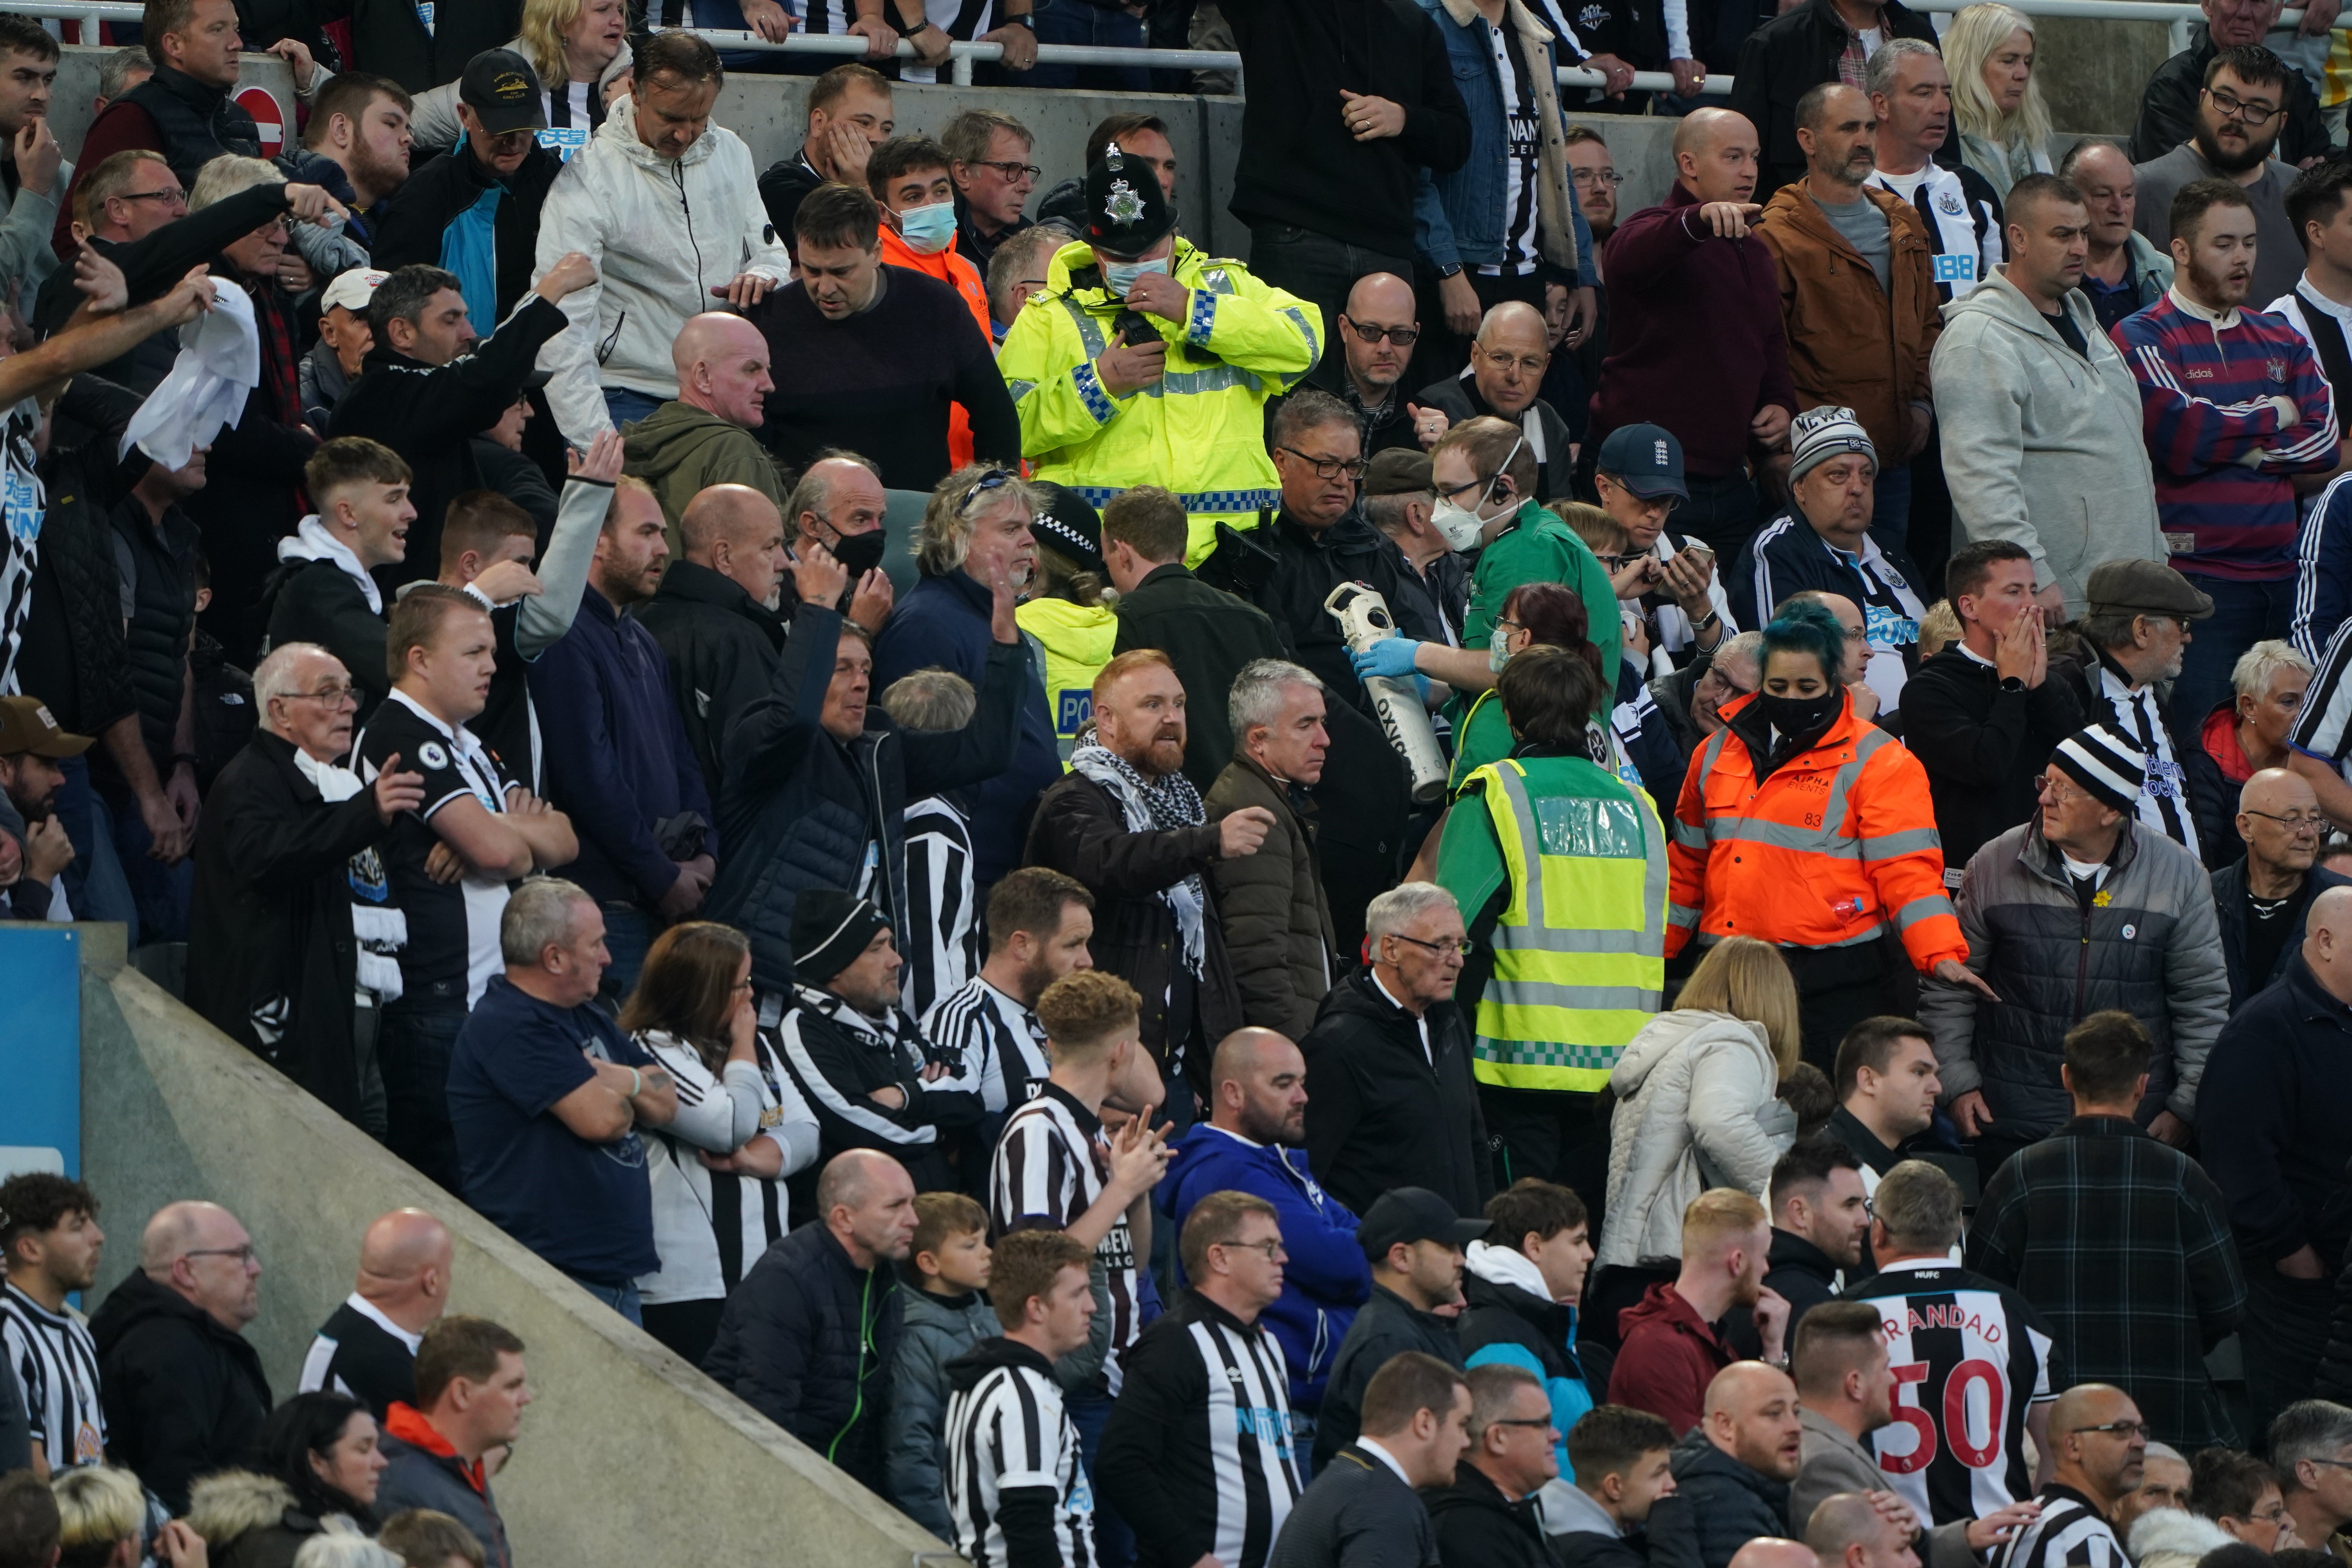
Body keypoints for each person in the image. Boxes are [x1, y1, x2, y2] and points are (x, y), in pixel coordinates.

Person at [702, 538, 1021, 1002]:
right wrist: (817, 606)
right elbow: (793, 718)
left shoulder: (880, 749)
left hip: (838, 993)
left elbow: (987, 752)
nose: (860, 681)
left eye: (866, 669)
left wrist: (1006, 648)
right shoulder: (762, 740)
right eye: (842, 669)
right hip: (757, 986)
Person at [1666, 600, 1961, 1069]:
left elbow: (1908, 871)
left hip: (1830, 984)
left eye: (1807, 686)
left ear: (1833, 683)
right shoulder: (1716, 752)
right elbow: (1687, 866)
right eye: (1777, 686)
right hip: (1729, 974)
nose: (1791, 698)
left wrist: (1939, 952)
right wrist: (1657, 954)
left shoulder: (1879, 760)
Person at [998, 146, 1317, 570]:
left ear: (1173, 236)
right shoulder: (1049, 315)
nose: (1137, 264)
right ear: (1094, 250)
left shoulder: (1226, 288)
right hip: (1100, 554)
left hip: (1233, 553)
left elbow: (1306, 343)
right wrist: (1099, 386)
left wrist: (1197, 312)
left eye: (1149, 250)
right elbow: (1010, 427)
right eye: (1120, 256)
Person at [352, 588, 577, 1187]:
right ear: (421, 659)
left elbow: (564, 837)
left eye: (493, 652)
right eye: (474, 651)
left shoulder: (470, 744)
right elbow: (507, 852)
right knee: (455, 1190)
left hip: (486, 999)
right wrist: (499, 836)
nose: (491, 667)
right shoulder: (400, 732)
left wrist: (483, 829)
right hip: (437, 1004)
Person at [1924, 724, 2230, 1162]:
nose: (2044, 798)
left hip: (2133, 1122)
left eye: (2063, 790)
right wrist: (1956, 1080)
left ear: (2110, 811)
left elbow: (2202, 1000)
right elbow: (1951, 986)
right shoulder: (1993, 864)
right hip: (2012, 1121)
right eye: (2045, 782)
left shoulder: (2179, 875)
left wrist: (2186, 1105)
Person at [1432, 642, 1666, 1180]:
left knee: (1526, 1235)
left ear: (1508, 714)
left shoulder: (1496, 795)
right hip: (1621, 1068)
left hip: (1518, 1069)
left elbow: (1452, 931)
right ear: (1588, 714)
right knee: (1582, 1243)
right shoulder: (1640, 807)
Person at [2117, 175, 2336, 727]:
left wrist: (2243, 446)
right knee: (2201, 741)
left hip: (2287, 579)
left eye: (2250, 243)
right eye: (2224, 245)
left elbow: (2325, 442)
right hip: (2199, 586)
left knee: (2287, 742)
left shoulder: (2281, 337)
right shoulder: (2144, 336)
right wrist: (2276, 412)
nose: (2242, 259)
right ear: (2182, 250)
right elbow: (2183, 436)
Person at [1969, 1011, 2244, 1448]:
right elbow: (2227, 1304)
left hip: (2056, 1423)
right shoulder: (2184, 1178)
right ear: (2142, 1084)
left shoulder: (2019, 1175)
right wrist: (2173, 1342)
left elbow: (1983, 1300)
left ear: (2066, 1077)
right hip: (2167, 1414)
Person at [180, 641, 407, 1125]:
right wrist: (368, 812)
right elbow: (274, 860)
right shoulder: (249, 781)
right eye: (328, 694)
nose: (347, 706)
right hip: (279, 1023)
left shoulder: (329, 781)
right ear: (280, 710)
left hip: (347, 1015)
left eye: (348, 692)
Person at [1026, 650, 1263, 1111]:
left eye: (1178, 704)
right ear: (1107, 719)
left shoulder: (1183, 801)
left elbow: (1201, 951)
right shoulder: (1074, 799)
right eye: (1152, 705)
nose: (1172, 718)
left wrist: (1203, 1065)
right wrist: (1207, 842)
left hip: (1177, 1075)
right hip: (1107, 1071)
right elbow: (1109, 861)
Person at [531, 31, 789, 444]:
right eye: (671, 118)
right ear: (635, 91)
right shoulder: (587, 181)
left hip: (723, 394)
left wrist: (762, 273)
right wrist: (595, 440)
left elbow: (770, 254)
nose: (686, 135)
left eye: (698, 119)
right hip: (627, 394)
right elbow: (560, 326)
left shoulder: (732, 153)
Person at [1934, 175, 2166, 622]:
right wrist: (2030, 578)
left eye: (2082, 233)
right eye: (2062, 235)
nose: (2080, 247)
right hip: (2057, 602)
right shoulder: (1979, 338)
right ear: (2017, 238)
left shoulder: (2083, 317)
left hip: (2126, 590)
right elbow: (1981, 479)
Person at [445, 878, 677, 1318]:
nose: (608, 958)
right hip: (555, 1278)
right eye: (597, 945)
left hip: (608, 1276)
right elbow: (605, 1121)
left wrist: (616, 1078)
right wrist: (634, 1092)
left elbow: (668, 1102)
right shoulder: (509, 1023)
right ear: (554, 957)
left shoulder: (588, 1015)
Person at [528, 475, 715, 998]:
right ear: (597, 539)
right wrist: (661, 876)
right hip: (607, 910)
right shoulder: (561, 636)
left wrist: (706, 856)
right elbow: (589, 777)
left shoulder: (641, 638)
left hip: (662, 898)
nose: (663, 549)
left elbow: (684, 757)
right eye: (648, 533)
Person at [1590, 109, 1795, 564]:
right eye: (1733, 156)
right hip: (1646, 481)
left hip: (1730, 480)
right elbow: (1627, 256)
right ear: (1689, 164)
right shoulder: (1653, 227)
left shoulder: (1757, 251)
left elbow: (1769, 342)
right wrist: (1698, 220)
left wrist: (1781, 402)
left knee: (1729, 623)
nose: (1749, 170)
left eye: (1755, 157)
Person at [620, 921, 820, 1365]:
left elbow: (808, 1132)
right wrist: (744, 1045)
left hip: (764, 1278)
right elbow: (730, 1124)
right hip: (690, 1287)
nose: (751, 995)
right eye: (739, 986)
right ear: (699, 991)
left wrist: (756, 1160)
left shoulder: (758, 1050)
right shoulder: (652, 1048)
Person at [332, 255, 591, 595]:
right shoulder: (381, 394)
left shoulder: (411, 396)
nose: (468, 334)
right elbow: (485, 382)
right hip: (397, 613)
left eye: (465, 319)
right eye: (450, 320)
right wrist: (551, 289)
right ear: (402, 332)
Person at [1755, 84, 1942, 549]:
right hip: (1816, 464)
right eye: (1848, 128)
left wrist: (1922, 403)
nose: (1864, 139)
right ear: (1808, 140)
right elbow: (1765, 349)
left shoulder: (1904, 222)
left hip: (1892, 460)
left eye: (1870, 127)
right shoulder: (1775, 235)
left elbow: (1928, 324)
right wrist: (1776, 452)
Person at [2199, 887, 2352, 1434]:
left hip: (2341, 1280)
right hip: (2297, 1290)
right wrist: (2294, 1256)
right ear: (2327, 942)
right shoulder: (2262, 1031)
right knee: (2302, 1442)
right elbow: (2238, 1163)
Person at [753, 184, 1018, 494]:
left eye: (841, 272)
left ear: (876, 253)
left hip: (915, 521)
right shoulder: (769, 322)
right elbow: (744, 430)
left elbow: (996, 416)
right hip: (806, 521)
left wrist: (991, 499)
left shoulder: (936, 309)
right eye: (813, 271)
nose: (825, 288)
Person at [1161, 1028, 1370, 1418]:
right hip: (1287, 1405)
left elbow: (1363, 1236)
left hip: (1310, 1397)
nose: (1303, 1097)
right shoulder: (1231, 1172)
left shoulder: (1274, 1163)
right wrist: (1371, 1257)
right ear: (1233, 1094)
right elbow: (1340, 1261)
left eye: (1302, 1083)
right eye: (1284, 1084)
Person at [1835, 1161, 2058, 1523]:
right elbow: (2056, 1455)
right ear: (1957, 1231)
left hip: (1888, 1545)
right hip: (2002, 1542)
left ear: (1878, 1232)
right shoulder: (2019, 1316)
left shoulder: (1841, 1318)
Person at [873, 466, 1057, 888]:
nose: (1029, 541)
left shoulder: (997, 620)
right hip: (969, 876)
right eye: (1011, 528)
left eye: (1028, 528)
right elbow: (923, 767)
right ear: (958, 534)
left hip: (1017, 868)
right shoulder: (925, 625)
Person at [1102, 1192, 1305, 1568]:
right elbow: (1121, 1463)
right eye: (1267, 1247)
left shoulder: (1268, 1345)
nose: (1283, 1259)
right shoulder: (1176, 1342)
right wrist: (1189, 1555)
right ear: (1220, 1258)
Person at [703, 1149, 916, 1494]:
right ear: (844, 1218)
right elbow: (765, 1408)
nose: (913, 1220)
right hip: (769, 1484)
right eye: (895, 1206)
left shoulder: (884, 1278)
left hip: (840, 1483)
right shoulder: (787, 1279)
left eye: (912, 1203)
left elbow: (871, 1409)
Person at [1301, 882, 1493, 1218]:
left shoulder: (1450, 1022)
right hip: (1381, 1262)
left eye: (1460, 946)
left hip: (1456, 1254)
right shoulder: (1337, 1046)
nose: (1458, 962)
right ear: (1391, 949)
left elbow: (1473, 1141)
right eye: (1441, 946)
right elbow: (1307, 1175)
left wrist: (1484, 1238)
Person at [767, 887, 976, 1194]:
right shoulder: (803, 1033)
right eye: (878, 948)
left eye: (891, 944)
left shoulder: (898, 1024)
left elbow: (970, 1094)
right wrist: (943, 1131)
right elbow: (858, 1127)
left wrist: (906, 1096)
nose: (897, 959)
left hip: (935, 1213)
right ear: (836, 965)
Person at [1788, 1303, 2042, 1554]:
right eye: (1886, 1367)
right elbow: (1865, 1558)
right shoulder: (1826, 1463)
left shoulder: (1826, 1445)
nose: (1894, 1379)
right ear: (1855, 1384)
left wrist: (1965, 1537)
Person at [1731, 409, 1928, 719]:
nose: (1857, 487)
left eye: (1866, 474)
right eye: (1839, 474)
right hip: (1856, 740)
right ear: (1800, 488)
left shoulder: (1889, 547)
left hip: (1932, 729)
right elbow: (1790, 676)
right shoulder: (1778, 552)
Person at [1902, 540, 2086, 872]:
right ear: (1970, 608)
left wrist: (2039, 688)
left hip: (2051, 874)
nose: (2033, 605)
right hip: (1968, 880)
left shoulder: (2052, 683)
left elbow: (2082, 771)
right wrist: (2013, 685)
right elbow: (1987, 766)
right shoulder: (1930, 689)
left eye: (2033, 590)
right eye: (2014, 592)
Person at [1101, 487, 1293, 791]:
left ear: (1122, 554)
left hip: (1171, 814)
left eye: (1107, 559)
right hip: (1256, 805)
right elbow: (1292, 715)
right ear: (1184, 552)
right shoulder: (1254, 618)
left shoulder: (1120, 620)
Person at [88, 1201, 271, 1514]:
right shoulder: (171, 1351)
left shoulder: (188, 1340)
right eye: (240, 1255)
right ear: (186, 1271)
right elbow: (178, 1486)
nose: (255, 1269)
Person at [369, 50, 566, 337]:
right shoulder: (424, 197)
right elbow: (392, 312)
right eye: (498, 128)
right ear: (465, 116)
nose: (513, 143)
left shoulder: (557, 178)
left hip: (552, 366)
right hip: (463, 372)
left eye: (524, 126)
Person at [49, 0, 260, 261]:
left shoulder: (241, 120)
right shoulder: (133, 117)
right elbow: (74, 240)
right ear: (174, 45)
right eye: (217, 30)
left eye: (235, 28)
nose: (236, 43)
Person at [940, 1228, 1099, 1568]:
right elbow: (1028, 1525)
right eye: (1078, 1294)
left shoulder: (990, 1381)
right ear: (1037, 1308)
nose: (1092, 1307)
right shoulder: (1022, 1396)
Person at [631, 484, 790, 806]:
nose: (784, 563)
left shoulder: (641, 625)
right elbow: (764, 769)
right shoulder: (737, 639)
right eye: (770, 547)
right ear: (724, 556)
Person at [1205, 661, 1337, 1041]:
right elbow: (1254, 957)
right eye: (1305, 724)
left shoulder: (1269, 799)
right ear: (1258, 739)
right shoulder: (1251, 809)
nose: (1324, 739)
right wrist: (1297, 1051)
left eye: (1322, 722)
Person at [1313, 1187, 1483, 1468]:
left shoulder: (1412, 1327)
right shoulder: (1387, 1341)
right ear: (1402, 1258)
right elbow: (1413, 1461)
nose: (1461, 1260)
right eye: (1448, 1246)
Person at [2136, 47, 2310, 313]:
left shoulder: (2302, 193)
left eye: (2257, 109)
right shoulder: (2144, 188)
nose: (2237, 116)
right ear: (2203, 98)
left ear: (2282, 122)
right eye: (2226, 99)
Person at [1605, 1184, 1784, 1436]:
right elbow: (1692, 1463)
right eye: (1764, 1256)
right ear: (1738, 1262)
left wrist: (1773, 1350)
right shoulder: (1659, 1348)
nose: (1766, 1269)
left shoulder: (1707, 1341)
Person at [922, 868, 1096, 1127]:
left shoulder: (1064, 1016)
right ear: (1022, 946)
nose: (1088, 962)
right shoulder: (964, 1023)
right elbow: (949, 1140)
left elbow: (1151, 1094)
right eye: (1073, 945)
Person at [260, 439, 418, 723]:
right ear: (348, 513)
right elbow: (405, 674)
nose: (411, 513)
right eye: (394, 499)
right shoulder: (319, 588)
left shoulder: (323, 582)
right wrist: (474, 599)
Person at [1458, 1179, 1601, 1487]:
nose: (1589, 1254)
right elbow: (1512, 1460)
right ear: (1535, 1246)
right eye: (1578, 1241)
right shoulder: (1500, 1337)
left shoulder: (1535, 1325)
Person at [1271, 1354, 1474, 1568]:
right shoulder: (1386, 1506)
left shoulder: (1347, 1481)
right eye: (1462, 1424)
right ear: (1425, 1424)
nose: (1466, 1442)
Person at [1728, 0, 1936, 200]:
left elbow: (1944, 137)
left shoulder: (1918, 33)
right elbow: (1747, 145)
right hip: (1806, 218)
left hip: (1916, 207)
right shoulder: (1775, 42)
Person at [374, 1316, 527, 1568]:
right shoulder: (399, 1482)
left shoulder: (463, 1467)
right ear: (462, 1394)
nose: (526, 1398)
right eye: (512, 1387)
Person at [887, 1192, 998, 1540]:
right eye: (970, 1246)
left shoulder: (994, 1321)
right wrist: (941, 1537)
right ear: (929, 1263)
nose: (987, 1253)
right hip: (955, 1525)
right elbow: (910, 1446)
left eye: (985, 1241)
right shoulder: (915, 1337)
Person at [1865, 42, 2007, 305]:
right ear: (1881, 105)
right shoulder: (1845, 191)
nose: (1942, 107)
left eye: (1946, 93)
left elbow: (2002, 296)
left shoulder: (1972, 190)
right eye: (1924, 93)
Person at [615, 313, 784, 534]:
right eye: (751, 369)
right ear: (703, 377)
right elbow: (756, 560)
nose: (768, 385)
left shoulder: (631, 445)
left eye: (767, 370)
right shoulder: (734, 451)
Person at [2133, 0, 2331, 167]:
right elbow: (2183, 181)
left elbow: (2326, 162)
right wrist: (2291, 184)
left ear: (2276, 13)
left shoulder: (2291, 87)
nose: (2245, 13)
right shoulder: (2173, 87)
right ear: (2207, 5)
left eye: (2257, 0)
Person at [298, 1209, 452, 1420]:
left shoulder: (359, 1332)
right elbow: (453, 1449)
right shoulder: (384, 1362)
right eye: (448, 1271)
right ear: (432, 1281)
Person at [1417, 305, 1577, 504]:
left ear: (1546, 367)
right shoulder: (1434, 410)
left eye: (1530, 363)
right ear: (1475, 355)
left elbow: (1559, 515)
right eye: (1501, 358)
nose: (1515, 377)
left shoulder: (1549, 423)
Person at [2215, 769, 2349, 1007]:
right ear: (2246, 827)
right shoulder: (2206, 897)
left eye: (2315, 819)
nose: (2309, 833)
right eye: (2292, 820)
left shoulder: (2346, 906)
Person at [0, 1174, 104, 1477]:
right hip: (47, 1523)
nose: (98, 1236)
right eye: (78, 1227)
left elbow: (98, 1454)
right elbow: (27, 1469)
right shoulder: (8, 1331)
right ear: (31, 1250)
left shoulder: (79, 1333)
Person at [1424, 1364, 1568, 1568]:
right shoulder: (1470, 1533)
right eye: (1543, 1423)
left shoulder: (1498, 1520)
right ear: (1498, 1439)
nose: (1556, 1435)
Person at [1664, 1362, 1804, 1568]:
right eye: (1775, 1414)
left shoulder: (1733, 1486)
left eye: (1797, 1412)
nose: (1795, 1427)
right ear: (1726, 1426)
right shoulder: (1723, 1509)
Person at [1989, 1384, 2145, 1568]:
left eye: (2141, 1431)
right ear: (2073, 1447)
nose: (2140, 1443)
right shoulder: (2082, 1535)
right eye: (2121, 1429)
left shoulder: (2032, 1520)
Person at [2190, 643, 2315, 862]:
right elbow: (2197, 865)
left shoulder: (2318, 761)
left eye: (2310, 705)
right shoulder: (2206, 765)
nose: (2304, 717)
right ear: (2249, 707)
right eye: (2289, 702)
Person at [759, 64, 893, 251]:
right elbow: (842, 259)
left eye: (886, 129)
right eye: (864, 123)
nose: (878, 138)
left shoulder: (891, 188)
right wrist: (860, 188)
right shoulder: (781, 187)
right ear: (819, 123)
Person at [1940, 4, 2056, 198]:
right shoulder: (1942, 141)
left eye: (2027, 62)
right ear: (1971, 64)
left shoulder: (2030, 141)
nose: (2023, 74)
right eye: (2009, 61)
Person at [2063, 140, 2176, 333]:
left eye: (2127, 195)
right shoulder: (2044, 278)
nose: (2119, 208)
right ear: (2068, 199)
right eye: (2102, 195)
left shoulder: (2171, 278)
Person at [1824, 1018, 1944, 1194]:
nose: (1938, 1088)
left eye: (1935, 1075)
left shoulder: (1904, 1172)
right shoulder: (1818, 1172)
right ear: (1869, 1081)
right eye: (1919, 1072)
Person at [1329, 274, 1434, 457]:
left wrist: (1445, 456)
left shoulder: (1428, 425)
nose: (1385, 348)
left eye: (1400, 334)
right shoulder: (1297, 404)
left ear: (1415, 334)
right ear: (1345, 329)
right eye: (1370, 332)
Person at [945, 110, 1037, 272]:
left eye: (1026, 171)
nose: (1027, 187)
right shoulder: (933, 242)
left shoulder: (1030, 243)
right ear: (963, 173)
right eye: (1010, 169)